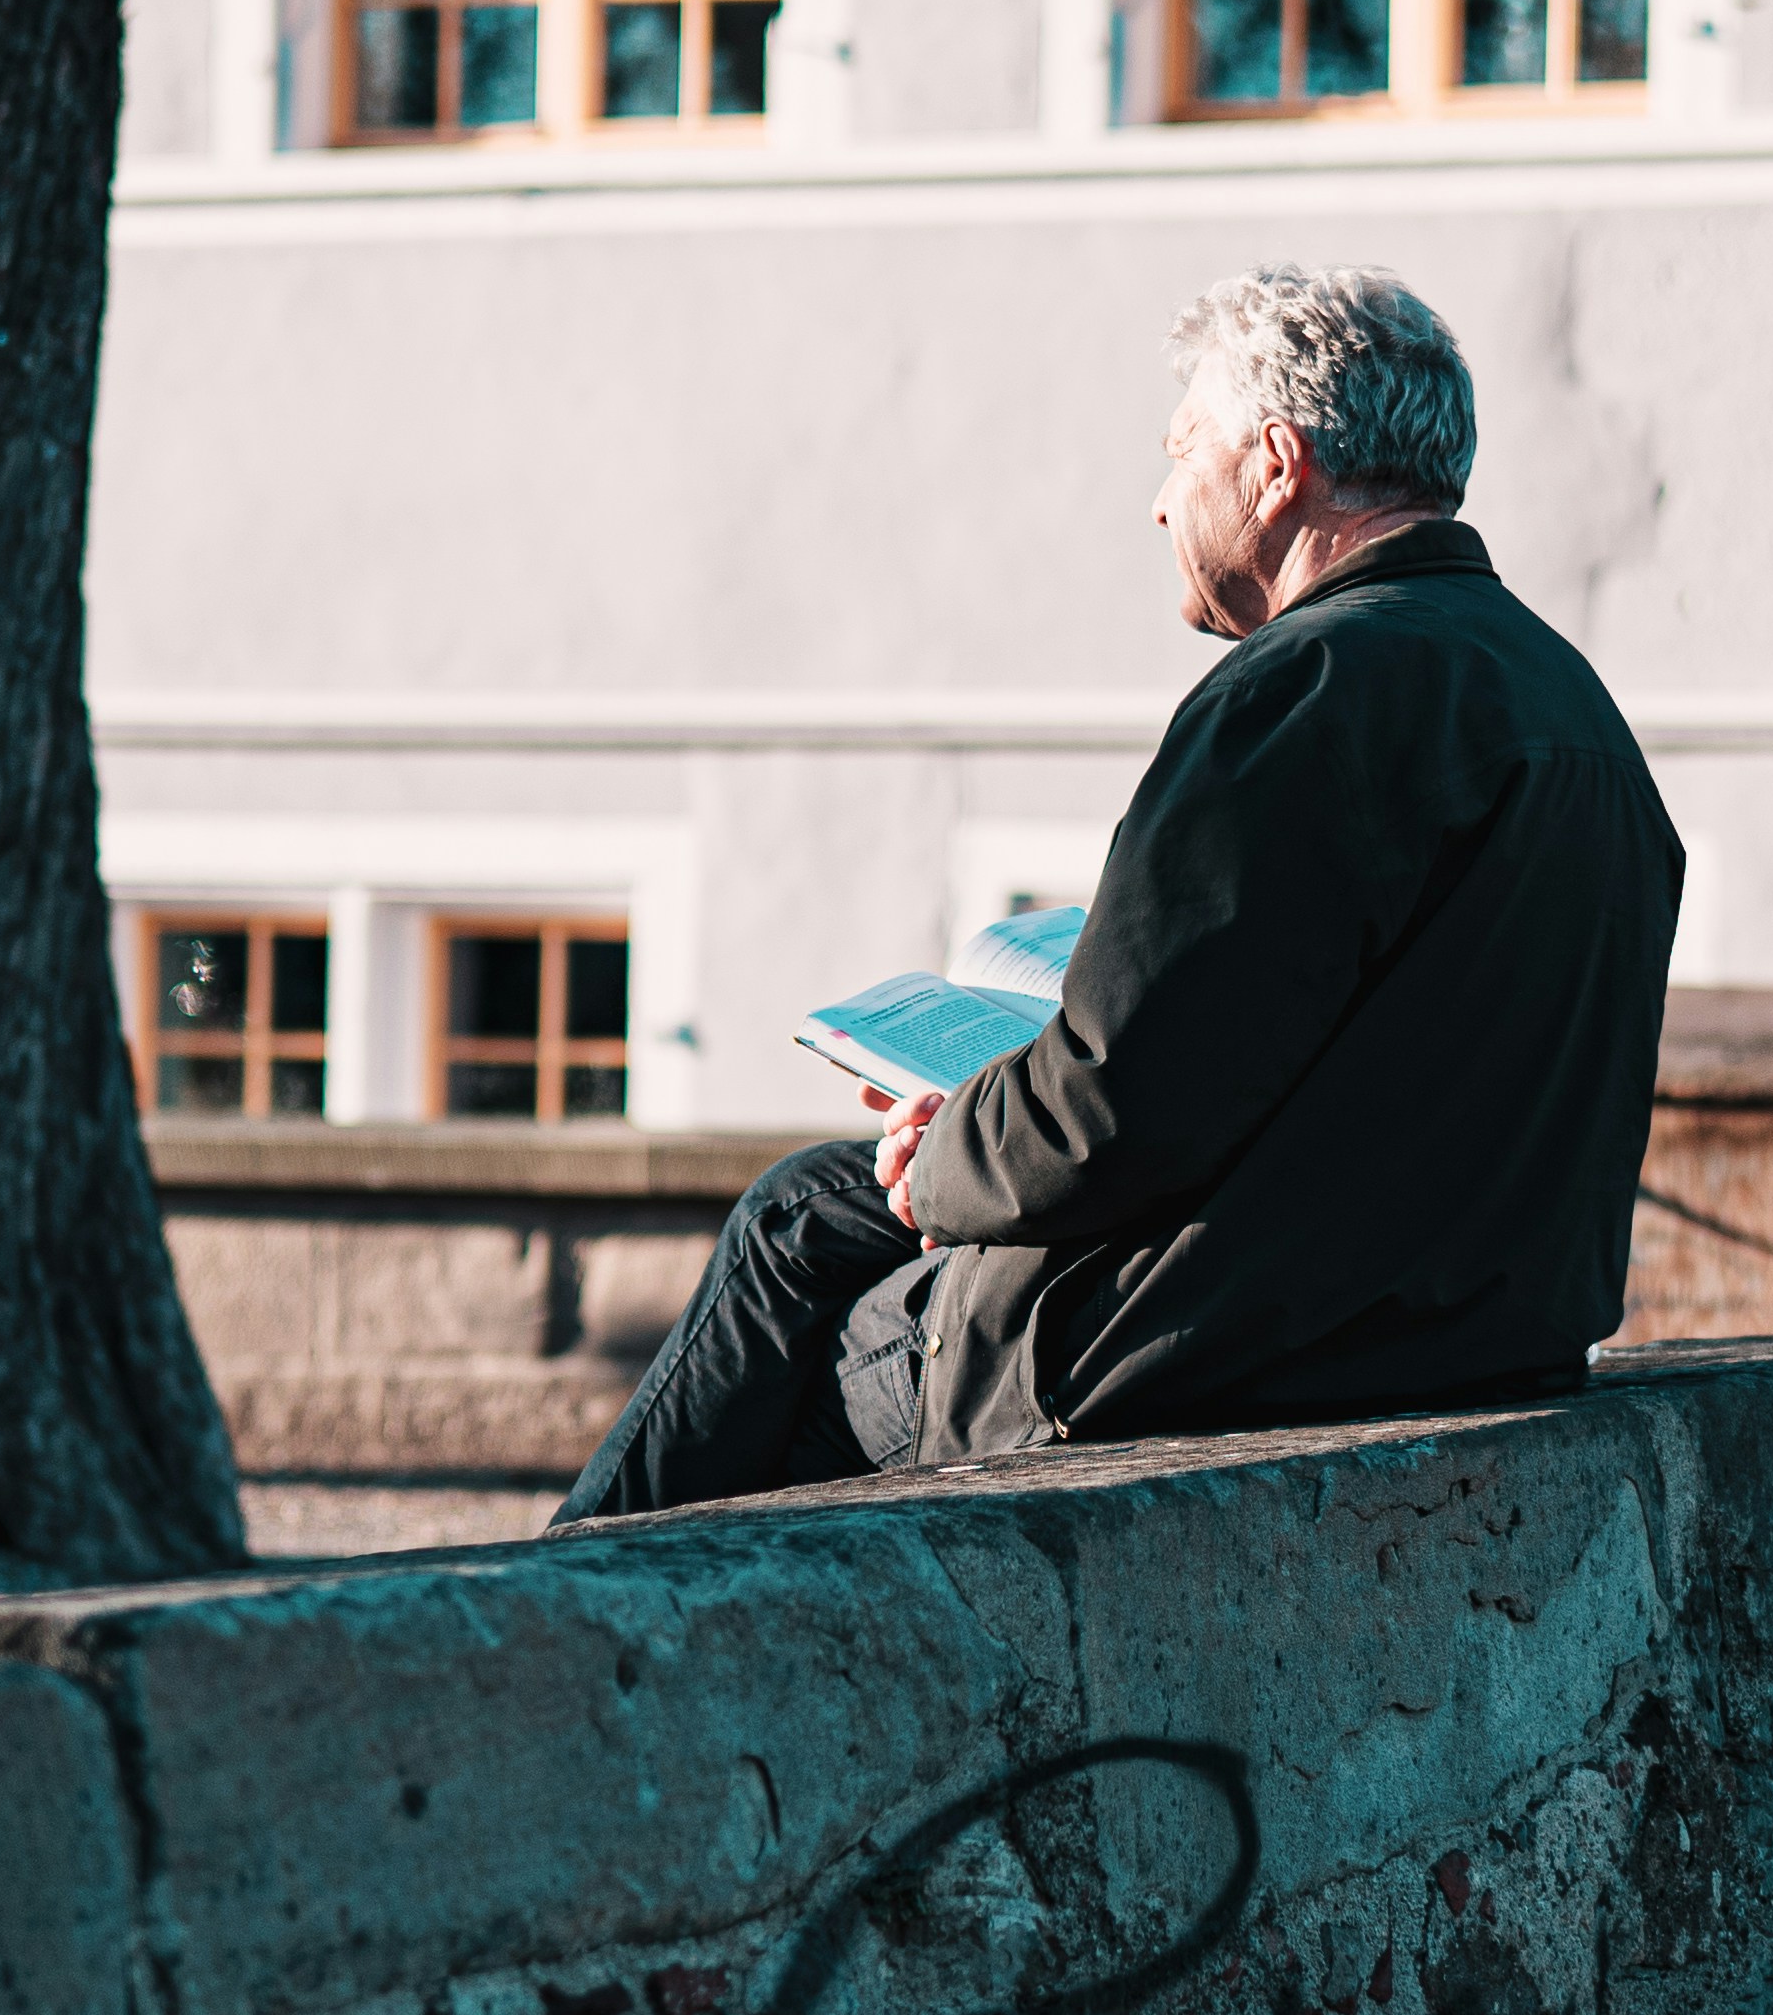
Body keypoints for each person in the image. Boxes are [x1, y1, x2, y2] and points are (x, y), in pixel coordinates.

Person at [554, 268, 1685, 1525]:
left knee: (795, 1276)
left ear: (1273, 465)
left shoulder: (1301, 690)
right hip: (1474, 1324)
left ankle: (549, 1625)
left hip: (1223, 1347)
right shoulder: (1571, 705)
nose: (1158, 505)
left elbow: (1112, 1112)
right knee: (816, 1203)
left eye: (1179, 452)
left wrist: (941, 1166)